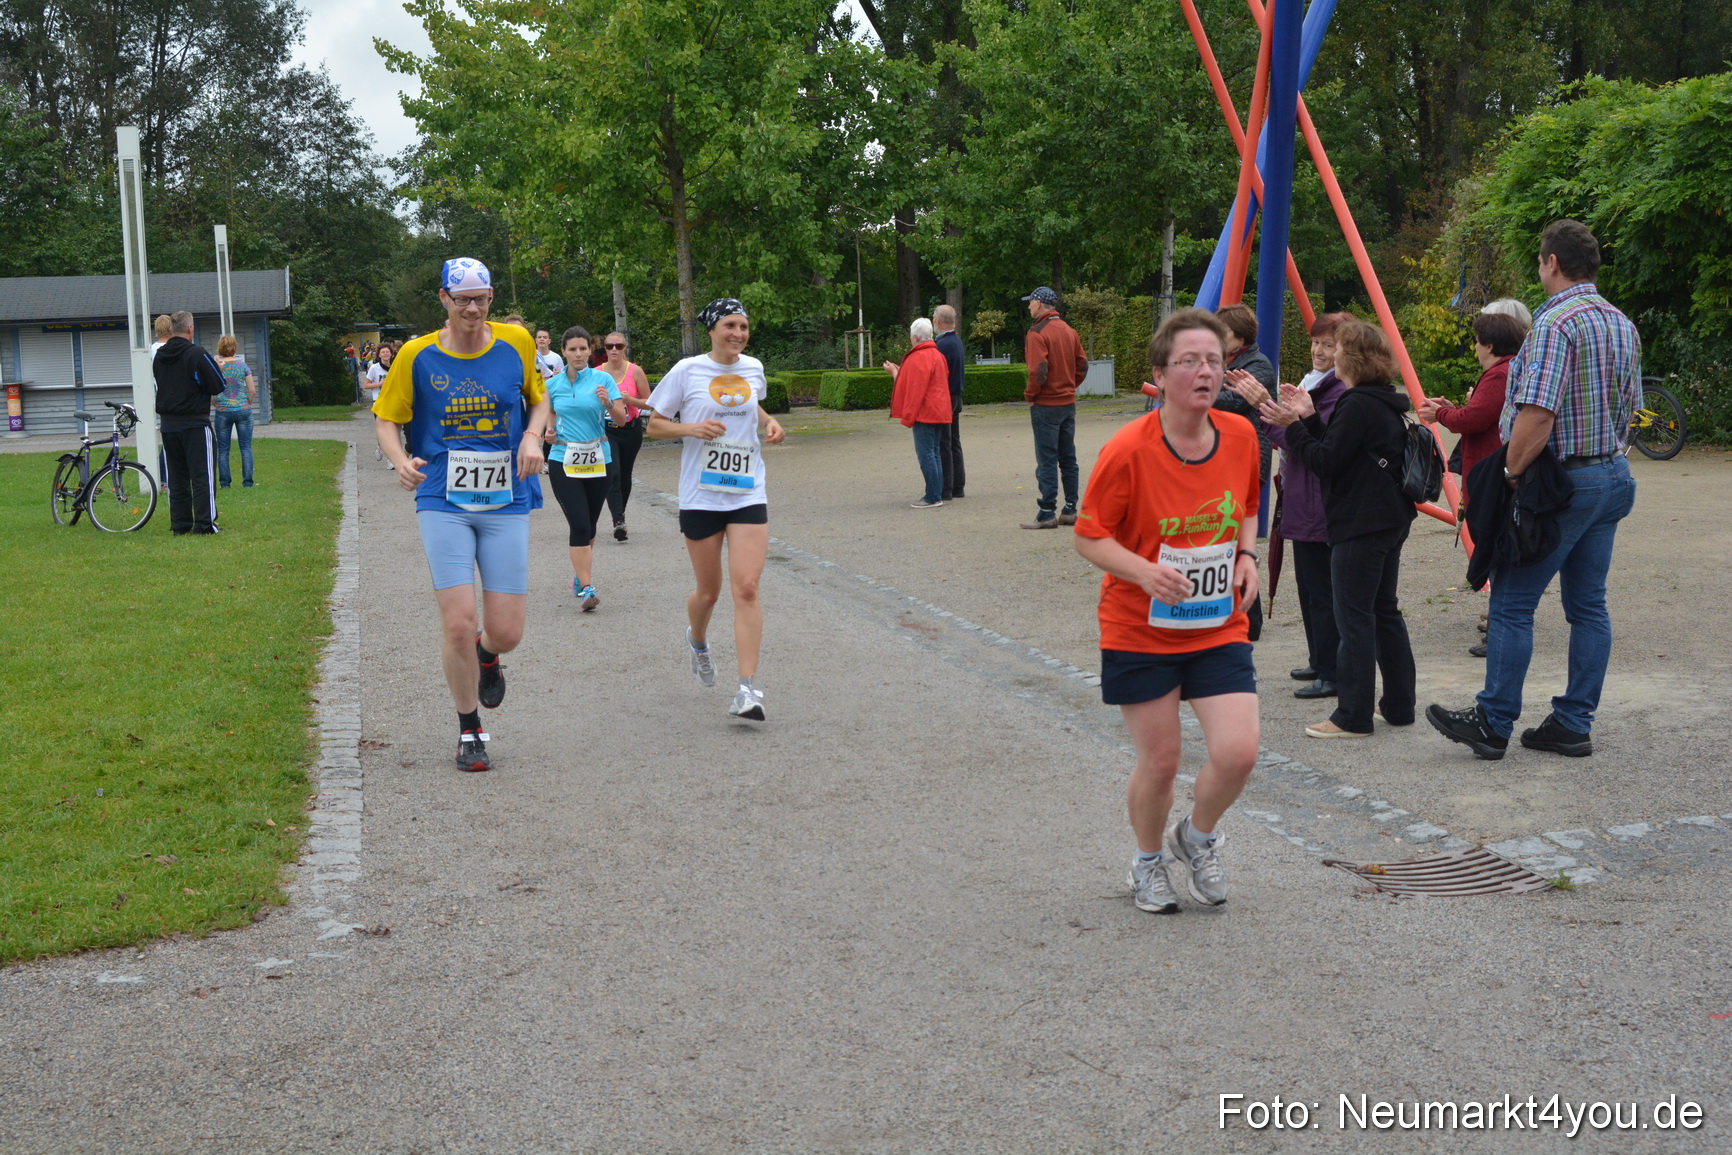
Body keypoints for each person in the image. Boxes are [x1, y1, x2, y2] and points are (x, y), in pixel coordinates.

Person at [1426, 220, 1640, 761]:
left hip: (1561, 480)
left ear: (1550, 262)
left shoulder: (1553, 325)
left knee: (1513, 604)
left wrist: (1509, 476)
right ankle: (1572, 723)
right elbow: (1628, 408)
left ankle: (1493, 722)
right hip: (1611, 474)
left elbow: (1536, 415)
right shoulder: (1621, 323)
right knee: (1589, 606)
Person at [1073, 307, 1261, 914]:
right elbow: (1089, 536)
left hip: (1215, 623)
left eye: (1214, 359)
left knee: (1238, 752)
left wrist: (1247, 555)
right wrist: (1145, 571)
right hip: (1140, 627)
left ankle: (1196, 838)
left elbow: (1250, 503)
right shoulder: (1127, 450)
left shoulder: (1241, 436)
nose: (1205, 371)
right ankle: (1148, 861)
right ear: (1160, 374)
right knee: (1162, 760)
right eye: (1190, 361)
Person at [372, 257, 550, 773]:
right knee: (457, 623)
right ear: (444, 300)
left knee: (507, 631)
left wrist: (533, 434)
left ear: (491, 299)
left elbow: (538, 402)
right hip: (442, 499)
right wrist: (401, 460)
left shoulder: (515, 344)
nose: (473, 308)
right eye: (463, 299)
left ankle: (488, 655)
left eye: (482, 299)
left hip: (505, 498)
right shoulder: (417, 354)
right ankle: (469, 728)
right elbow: (387, 419)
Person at [1259, 321, 1417, 738]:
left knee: (1355, 617)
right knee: (1383, 610)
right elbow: (1340, 450)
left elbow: (1326, 463)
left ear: (1353, 358)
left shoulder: (1355, 403)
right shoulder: (1380, 399)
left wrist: (1292, 425)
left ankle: (1352, 715)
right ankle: (1399, 705)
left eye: (1338, 348)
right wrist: (1308, 419)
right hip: (1388, 516)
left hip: (1361, 521)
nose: (1331, 355)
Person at [645, 298, 786, 721]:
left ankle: (747, 690)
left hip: (747, 492)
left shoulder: (753, 368)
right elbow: (652, 423)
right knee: (709, 591)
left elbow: (750, 403)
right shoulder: (687, 371)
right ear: (712, 329)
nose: (738, 334)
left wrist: (768, 421)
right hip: (701, 496)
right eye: (730, 326)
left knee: (747, 588)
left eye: (743, 326)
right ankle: (698, 640)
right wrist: (691, 428)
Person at [1228, 312, 1353, 699]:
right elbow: (1290, 436)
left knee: (1323, 590)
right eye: (1316, 343)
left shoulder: (1337, 391)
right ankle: (1320, 659)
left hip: (1320, 500)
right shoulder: (1311, 384)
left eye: (1328, 345)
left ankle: (1332, 671)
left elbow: (1313, 443)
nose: (1319, 351)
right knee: (1307, 586)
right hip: (1302, 494)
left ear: (1345, 351)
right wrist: (1274, 413)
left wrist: (1266, 407)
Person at [544, 325, 627, 610]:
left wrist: (607, 402)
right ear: (564, 352)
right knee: (578, 523)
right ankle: (587, 587)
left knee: (590, 525)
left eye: (582, 349)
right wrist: (549, 431)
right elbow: (549, 413)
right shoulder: (552, 384)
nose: (578, 354)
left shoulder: (602, 379)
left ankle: (580, 577)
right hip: (563, 459)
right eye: (572, 349)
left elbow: (622, 418)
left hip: (598, 458)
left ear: (590, 351)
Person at [153, 311, 228, 534]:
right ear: (190, 328)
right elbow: (217, 385)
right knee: (202, 475)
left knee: (177, 477)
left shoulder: (159, 356)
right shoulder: (197, 353)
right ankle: (205, 525)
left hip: (168, 424)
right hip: (195, 423)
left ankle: (180, 524)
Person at [1020, 286, 1088, 529]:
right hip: (1067, 403)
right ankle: (1070, 509)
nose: (1028, 306)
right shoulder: (1070, 331)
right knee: (1068, 458)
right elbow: (1083, 365)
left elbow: (1037, 370)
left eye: (1030, 302)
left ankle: (1047, 512)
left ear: (1039, 304)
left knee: (1047, 459)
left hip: (1046, 405)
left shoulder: (1037, 332)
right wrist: (1069, 385)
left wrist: (1030, 395)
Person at [886, 318, 953, 508]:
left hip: (925, 412)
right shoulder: (937, 355)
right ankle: (937, 493)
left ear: (915, 337)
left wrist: (893, 374)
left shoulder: (918, 357)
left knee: (927, 455)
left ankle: (932, 496)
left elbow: (914, 390)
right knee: (935, 453)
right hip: (940, 410)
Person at [598, 330, 653, 541]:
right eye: (610, 346)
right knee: (613, 472)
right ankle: (618, 521)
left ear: (625, 348)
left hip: (631, 429)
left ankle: (619, 514)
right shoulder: (597, 372)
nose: (614, 349)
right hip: (606, 429)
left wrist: (630, 399)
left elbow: (650, 402)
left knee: (625, 476)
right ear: (604, 348)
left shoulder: (635, 371)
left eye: (618, 346)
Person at [211, 335, 256, 489]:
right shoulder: (243, 366)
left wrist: (216, 403)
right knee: (246, 447)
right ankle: (248, 483)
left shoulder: (216, 367)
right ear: (234, 348)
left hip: (223, 410)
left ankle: (225, 484)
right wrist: (248, 402)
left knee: (223, 449)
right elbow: (252, 390)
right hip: (243, 409)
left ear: (219, 349)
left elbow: (211, 391)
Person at [933, 304, 967, 499]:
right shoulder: (956, 341)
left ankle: (946, 487)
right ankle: (958, 485)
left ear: (938, 321)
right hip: (956, 396)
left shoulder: (943, 344)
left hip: (946, 397)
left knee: (944, 442)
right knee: (953, 441)